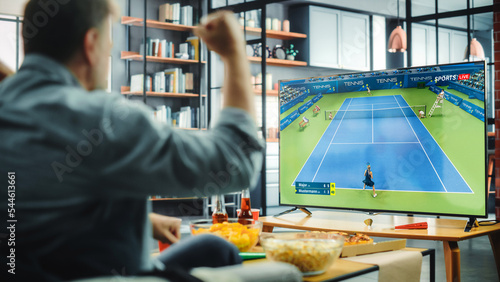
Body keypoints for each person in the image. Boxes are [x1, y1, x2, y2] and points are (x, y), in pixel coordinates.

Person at [0, 1, 264, 281]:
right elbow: (237, 160)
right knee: (283, 274)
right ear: (91, 44)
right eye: (109, 47)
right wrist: (234, 55)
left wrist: (144, 221)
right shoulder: (102, 118)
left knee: (215, 248)